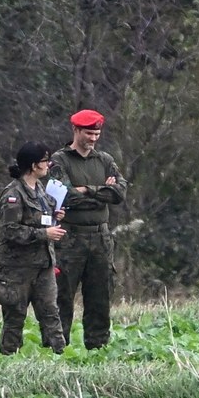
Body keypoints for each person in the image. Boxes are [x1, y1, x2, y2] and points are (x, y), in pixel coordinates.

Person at [49, 109, 127, 350]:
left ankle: (97, 347)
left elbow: (119, 193)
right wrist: (100, 191)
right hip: (70, 237)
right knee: (63, 297)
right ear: (76, 130)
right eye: (88, 133)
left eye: (97, 133)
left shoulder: (105, 160)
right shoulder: (59, 160)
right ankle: (58, 348)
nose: (93, 139)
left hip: (100, 238)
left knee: (100, 296)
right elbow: (63, 196)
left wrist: (87, 190)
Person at [0, 142, 68, 355]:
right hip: (17, 269)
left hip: (43, 265)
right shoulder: (13, 194)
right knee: (15, 319)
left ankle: (59, 357)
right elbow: (10, 231)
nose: (49, 165)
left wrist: (54, 217)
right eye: (45, 161)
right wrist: (45, 234)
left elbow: (38, 217)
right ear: (34, 165)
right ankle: (8, 360)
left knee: (51, 314)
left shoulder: (40, 189)